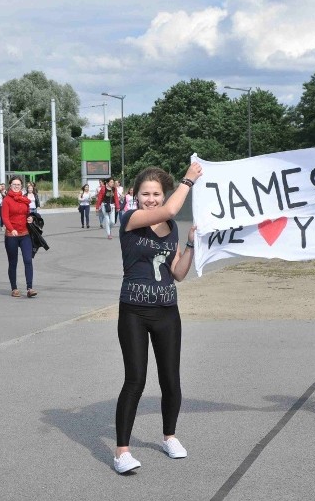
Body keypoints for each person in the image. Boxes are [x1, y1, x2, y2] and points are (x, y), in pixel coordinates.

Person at [112, 163, 203, 475]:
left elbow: (177, 272)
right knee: (135, 379)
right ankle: (122, 452)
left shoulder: (172, 227)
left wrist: (190, 245)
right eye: (145, 193)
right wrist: (188, 180)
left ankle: (169, 436)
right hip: (134, 311)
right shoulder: (131, 220)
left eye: (156, 194)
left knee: (171, 380)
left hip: (167, 312)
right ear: (136, 196)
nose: (151, 198)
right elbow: (169, 210)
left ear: (162, 195)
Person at [2, 177, 36, 298]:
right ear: (10, 185)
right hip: (12, 235)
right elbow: (5, 217)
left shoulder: (24, 199)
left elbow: (27, 214)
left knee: (28, 260)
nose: (16, 186)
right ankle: (14, 288)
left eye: (18, 184)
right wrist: (12, 229)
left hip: (25, 234)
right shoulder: (7, 200)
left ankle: (30, 288)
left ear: (22, 186)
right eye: (14, 184)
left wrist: (30, 218)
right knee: (13, 262)